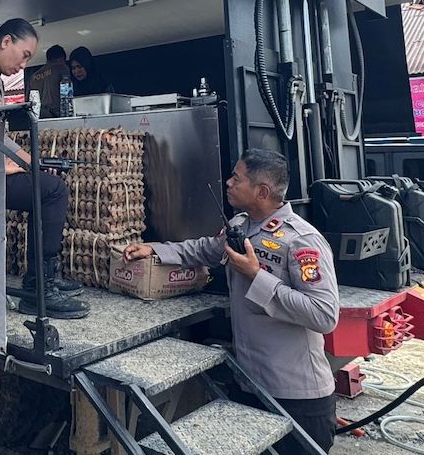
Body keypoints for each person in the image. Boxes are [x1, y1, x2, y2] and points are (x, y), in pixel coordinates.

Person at [122, 149, 339, 453]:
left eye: (237, 178)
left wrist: (256, 275)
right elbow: (203, 249)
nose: (228, 182)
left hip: (295, 396)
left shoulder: (301, 240)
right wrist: (155, 249)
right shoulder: (241, 225)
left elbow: (324, 315)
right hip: (249, 385)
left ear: (261, 191)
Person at [0, 19, 89, 319]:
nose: (24, 65)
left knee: (47, 184)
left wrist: (30, 161)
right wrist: (4, 167)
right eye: (24, 55)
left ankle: (41, 280)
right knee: (53, 191)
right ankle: (39, 286)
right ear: (5, 42)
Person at [27, 44, 71, 118]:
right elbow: (68, 93)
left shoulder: (33, 77)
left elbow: (28, 100)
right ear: (62, 59)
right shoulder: (61, 68)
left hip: (38, 116)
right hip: (58, 115)